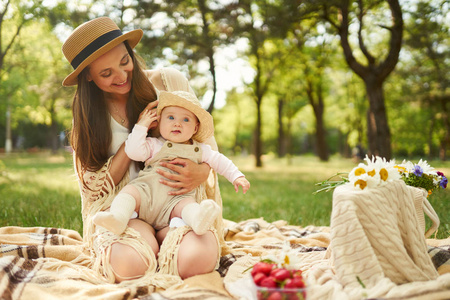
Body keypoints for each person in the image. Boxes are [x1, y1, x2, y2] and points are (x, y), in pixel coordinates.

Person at [62, 17, 226, 283]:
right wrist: (134, 139)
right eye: (106, 73)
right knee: (127, 265)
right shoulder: (88, 119)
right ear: (88, 77)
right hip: (127, 208)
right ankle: (149, 242)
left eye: (125, 61)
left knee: (198, 260)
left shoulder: (169, 82)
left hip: (176, 202)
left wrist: (201, 171)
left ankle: (166, 239)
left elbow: (207, 142)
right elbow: (94, 189)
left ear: (131, 52)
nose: (122, 76)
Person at [93, 90, 250, 237]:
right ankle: (118, 218)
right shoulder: (154, 144)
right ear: (159, 122)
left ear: (195, 128)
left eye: (186, 119)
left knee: (187, 205)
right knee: (129, 193)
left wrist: (237, 176)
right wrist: (142, 126)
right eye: (171, 117)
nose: (177, 124)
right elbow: (133, 151)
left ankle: (198, 220)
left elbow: (220, 161)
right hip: (146, 193)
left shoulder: (200, 150)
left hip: (175, 201)